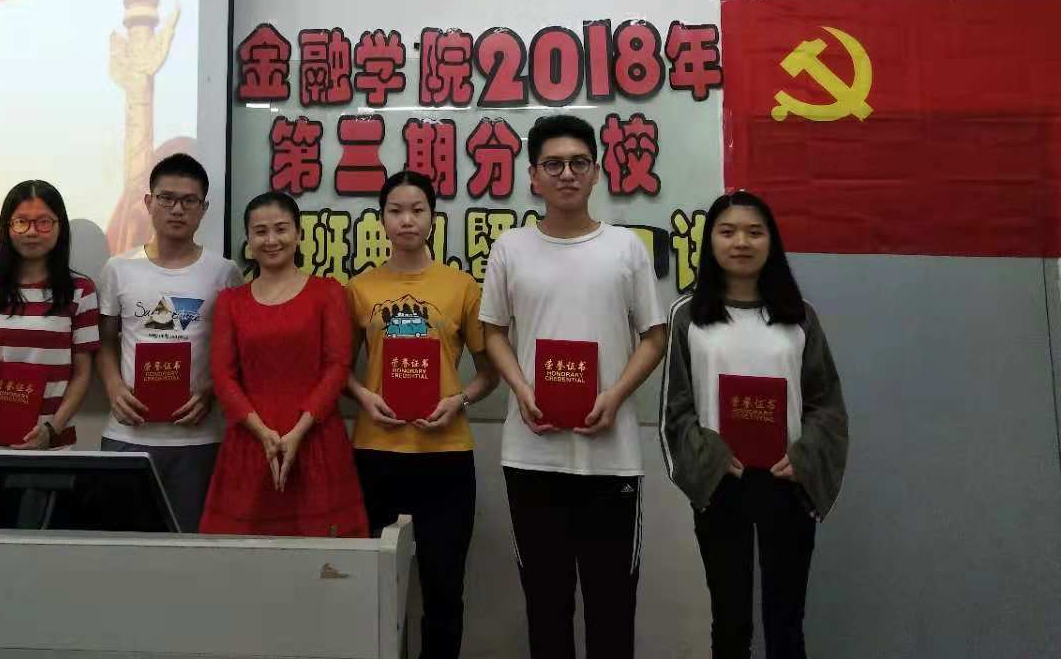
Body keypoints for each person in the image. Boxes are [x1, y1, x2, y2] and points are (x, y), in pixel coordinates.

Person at [480, 114, 667, 659]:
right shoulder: (511, 248)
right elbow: (493, 332)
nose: (567, 174)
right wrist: (521, 388)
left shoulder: (625, 248)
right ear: (533, 176)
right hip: (531, 455)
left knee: (612, 609)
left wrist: (616, 395)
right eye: (554, 164)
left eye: (578, 163)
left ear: (596, 172)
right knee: (547, 607)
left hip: (612, 459)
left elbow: (655, 336)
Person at [660, 190, 848, 659]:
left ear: (771, 241)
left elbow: (826, 404)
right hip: (722, 482)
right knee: (730, 622)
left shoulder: (799, 316)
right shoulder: (688, 315)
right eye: (727, 232)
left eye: (754, 232)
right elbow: (676, 409)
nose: (741, 242)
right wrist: (708, 459)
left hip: (788, 482)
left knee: (786, 623)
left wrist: (804, 458)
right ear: (710, 242)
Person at [348, 171, 500, 659]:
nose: (407, 220)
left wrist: (461, 400)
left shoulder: (461, 287)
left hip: (445, 455)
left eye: (417, 210)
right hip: (377, 452)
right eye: (395, 210)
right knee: (374, 589)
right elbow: (338, 370)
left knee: (443, 589)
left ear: (433, 217)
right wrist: (362, 396)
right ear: (381, 219)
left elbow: (490, 372)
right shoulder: (359, 288)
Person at [200, 191, 368, 538]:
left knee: (325, 560)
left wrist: (299, 431)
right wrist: (262, 433)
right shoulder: (231, 302)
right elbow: (223, 375)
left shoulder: (328, 292)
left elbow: (337, 367)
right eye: (260, 231)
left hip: (316, 440)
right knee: (244, 559)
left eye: (281, 229)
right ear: (248, 240)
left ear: (299, 234)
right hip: (250, 444)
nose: (271, 240)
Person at [96, 153, 242, 532]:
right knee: (124, 546)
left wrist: (209, 390)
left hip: (198, 437)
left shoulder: (224, 272)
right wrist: (114, 388)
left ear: (204, 208)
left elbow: (235, 351)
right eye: (167, 198)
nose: (177, 209)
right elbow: (105, 341)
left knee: (190, 549)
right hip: (127, 434)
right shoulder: (118, 269)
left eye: (189, 201)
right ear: (149, 202)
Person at [0, 180, 99, 449]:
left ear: (59, 227)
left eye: (44, 222)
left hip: (51, 442)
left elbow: (82, 375)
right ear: (7, 228)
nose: (32, 232)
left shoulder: (80, 292)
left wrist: (52, 429)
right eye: (21, 222)